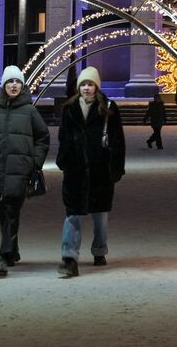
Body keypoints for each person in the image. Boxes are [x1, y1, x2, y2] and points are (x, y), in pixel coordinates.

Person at [0, 65, 50, 278]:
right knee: (3, 213)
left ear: (22, 85)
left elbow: (43, 137)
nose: (13, 85)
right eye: (10, 82)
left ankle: (3, 256)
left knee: (11, 211)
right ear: (4, 85)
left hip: (20, 171)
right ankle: (13, 251)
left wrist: (35, 162)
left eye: (17, 82)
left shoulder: (30, 111)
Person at [55, 67, 125, 278]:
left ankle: (99, 251)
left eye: (90, 84)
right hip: (75, 170)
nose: (86, 88)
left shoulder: (109, 108)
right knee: (73, 215)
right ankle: (69, 258)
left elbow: (117, 140)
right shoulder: (69, 109)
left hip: (99, 170)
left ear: (96, 86)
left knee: (100, 217)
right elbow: (63, 137)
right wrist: (63, 160)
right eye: (83, 84)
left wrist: (115, 168)